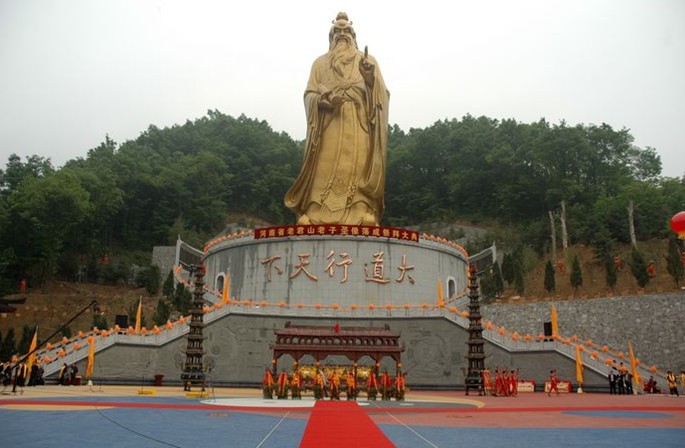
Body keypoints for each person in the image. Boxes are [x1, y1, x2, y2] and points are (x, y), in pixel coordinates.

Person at [284, 12, 390, 226]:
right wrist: (323, 100)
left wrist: (370, 78)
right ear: (331, 36)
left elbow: (382, 96)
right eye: (337, 31)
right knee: (323, 164)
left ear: (354, 35)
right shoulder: (319, 64)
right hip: (328, 124)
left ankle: (361, 209)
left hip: (359, 124)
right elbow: (309, 94)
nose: (342, 35)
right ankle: (315, 210)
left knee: (358, 166)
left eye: (347, 31)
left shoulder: (368, 61)